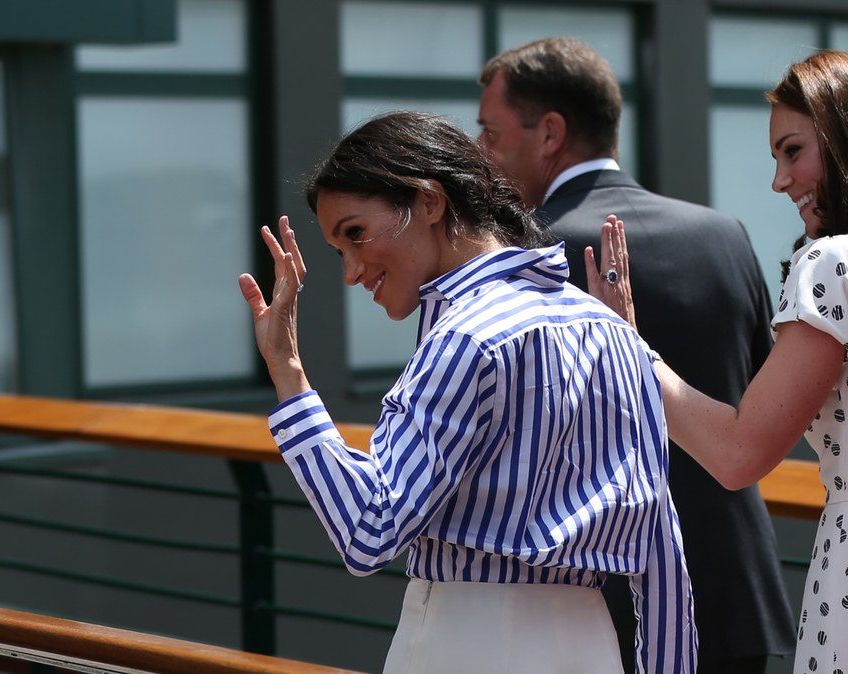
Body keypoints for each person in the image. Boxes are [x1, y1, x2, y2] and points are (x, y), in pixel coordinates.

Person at [236, 111, 695, 673]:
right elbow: (661, 551)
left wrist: (288, 371)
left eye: (355, 233)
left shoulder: (465, 337)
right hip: (592, 642)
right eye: (339, 251)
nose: (352, 271)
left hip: (467, 638)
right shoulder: (611, 331)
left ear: (429, 201)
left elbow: (368, 530)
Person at [588, 50, 848, 674]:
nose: (780, 180)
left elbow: (740, 455)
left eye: (793, 151)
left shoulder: (838, 265)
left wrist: (628, 349)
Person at [477, 36, 794, 674]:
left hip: (602, 604)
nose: (481, 155)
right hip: (738, 592)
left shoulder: (529, 254)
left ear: (550, 134)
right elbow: (763, 402)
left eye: (489, 132)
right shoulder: (723, 234)